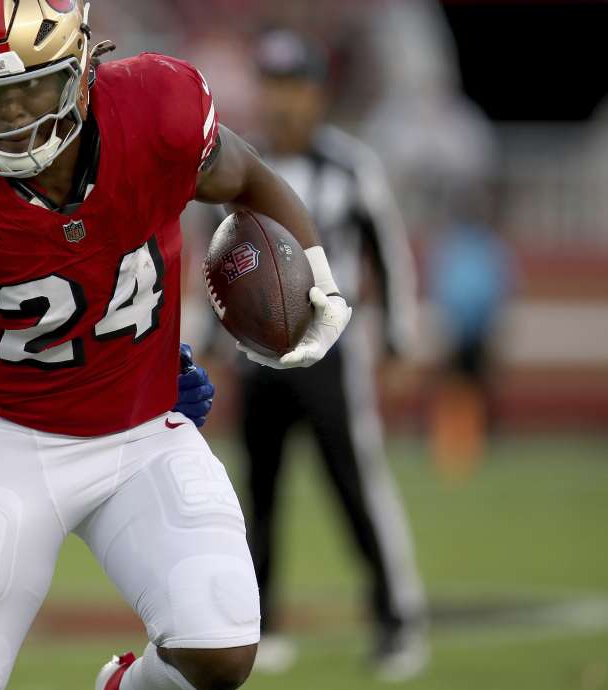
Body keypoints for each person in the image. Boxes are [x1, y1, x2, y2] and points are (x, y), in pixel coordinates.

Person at [0, 3, 352, 689]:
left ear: (83, 64)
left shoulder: (156, 111)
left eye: (27, 85)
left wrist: (317, 275)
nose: (7, 114)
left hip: (144, 433)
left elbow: (249, 180)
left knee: (219, 644)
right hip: (10, 442)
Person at [236, 30, 427, 681]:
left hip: (331, 353)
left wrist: (399, 339)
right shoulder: (240, 164)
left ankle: (397, 619)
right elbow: (216, 265)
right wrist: (208, 340)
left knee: (355, 486)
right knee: (257, 493)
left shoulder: (349, 165)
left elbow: (389, 254)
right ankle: (258, 624)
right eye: (272, 85)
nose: (282, 100)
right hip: (257, 354)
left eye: (294, 86)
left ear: (318, 93)